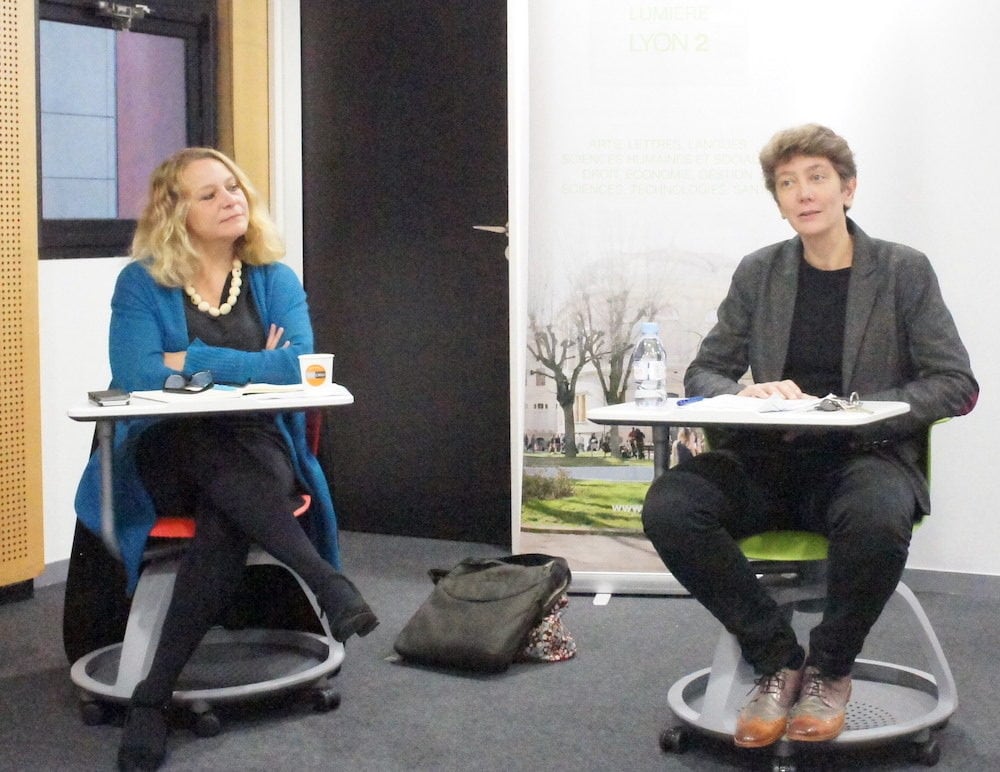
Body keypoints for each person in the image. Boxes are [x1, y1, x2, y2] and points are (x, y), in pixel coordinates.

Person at [641, 124, 978, 749]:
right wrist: (743, 392)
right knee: (670, 505)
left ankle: (829, 670)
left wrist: (859, 411)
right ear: (778, 200)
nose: (803, 193)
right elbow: (704, 370)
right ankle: (777, 658)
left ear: (847, 189)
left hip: (863, 459)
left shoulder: (903, 270)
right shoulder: (760, 271)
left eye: (817, 178)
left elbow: (956, 382)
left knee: (878, 516)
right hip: (766, 461)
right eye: (787, 183)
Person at [73, 148, 378, 771]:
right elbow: (136, 374)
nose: (230, 199)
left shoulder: (273, 277)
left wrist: (190, 361)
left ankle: (152, 698)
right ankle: (327, 582)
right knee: (208, 452)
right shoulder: (143, 282)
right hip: (166, 449)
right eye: (209, 194)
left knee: (227, 507)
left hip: (257, 445)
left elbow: (300, 367)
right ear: (175, 212)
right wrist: (249, 366)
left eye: (233, 187)